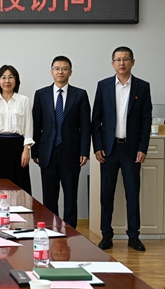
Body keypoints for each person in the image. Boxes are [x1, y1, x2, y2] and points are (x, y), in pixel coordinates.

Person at [92, 46, 152, 252]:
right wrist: (98, 146)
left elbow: (146, 120)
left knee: (132, 193)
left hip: (131, 150)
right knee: (106, 194)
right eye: (118, 59)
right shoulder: (103, 86)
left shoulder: (142, 87)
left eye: (126, 59)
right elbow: (96, 119)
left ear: (133, 62)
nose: (122, 63)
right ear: (112, 64)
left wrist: (143, 147)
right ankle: (106, 235)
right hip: (108, 150)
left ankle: (133, 236)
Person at [32, 56, 91, 228]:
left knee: (71, 196)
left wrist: (84, 151)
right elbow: (36, 125)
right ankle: (50, 230)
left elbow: (85, 126)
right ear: (51, 72)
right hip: (47, 152)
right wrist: (35, 151)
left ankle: (71, 232)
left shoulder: (80, 94)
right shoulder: (41, 94)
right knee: (49, 196)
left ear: (70, 72)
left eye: (64, 68)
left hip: (71, 152)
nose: (60, 72)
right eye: (57, 68)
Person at [0, 65, 34, 194]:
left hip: (18, 147)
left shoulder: (24, 100)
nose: (7, 81)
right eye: (3, 77)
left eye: (11, 77)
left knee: (19, 185)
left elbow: (29, 126)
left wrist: (26, 150)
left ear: (16, 80)